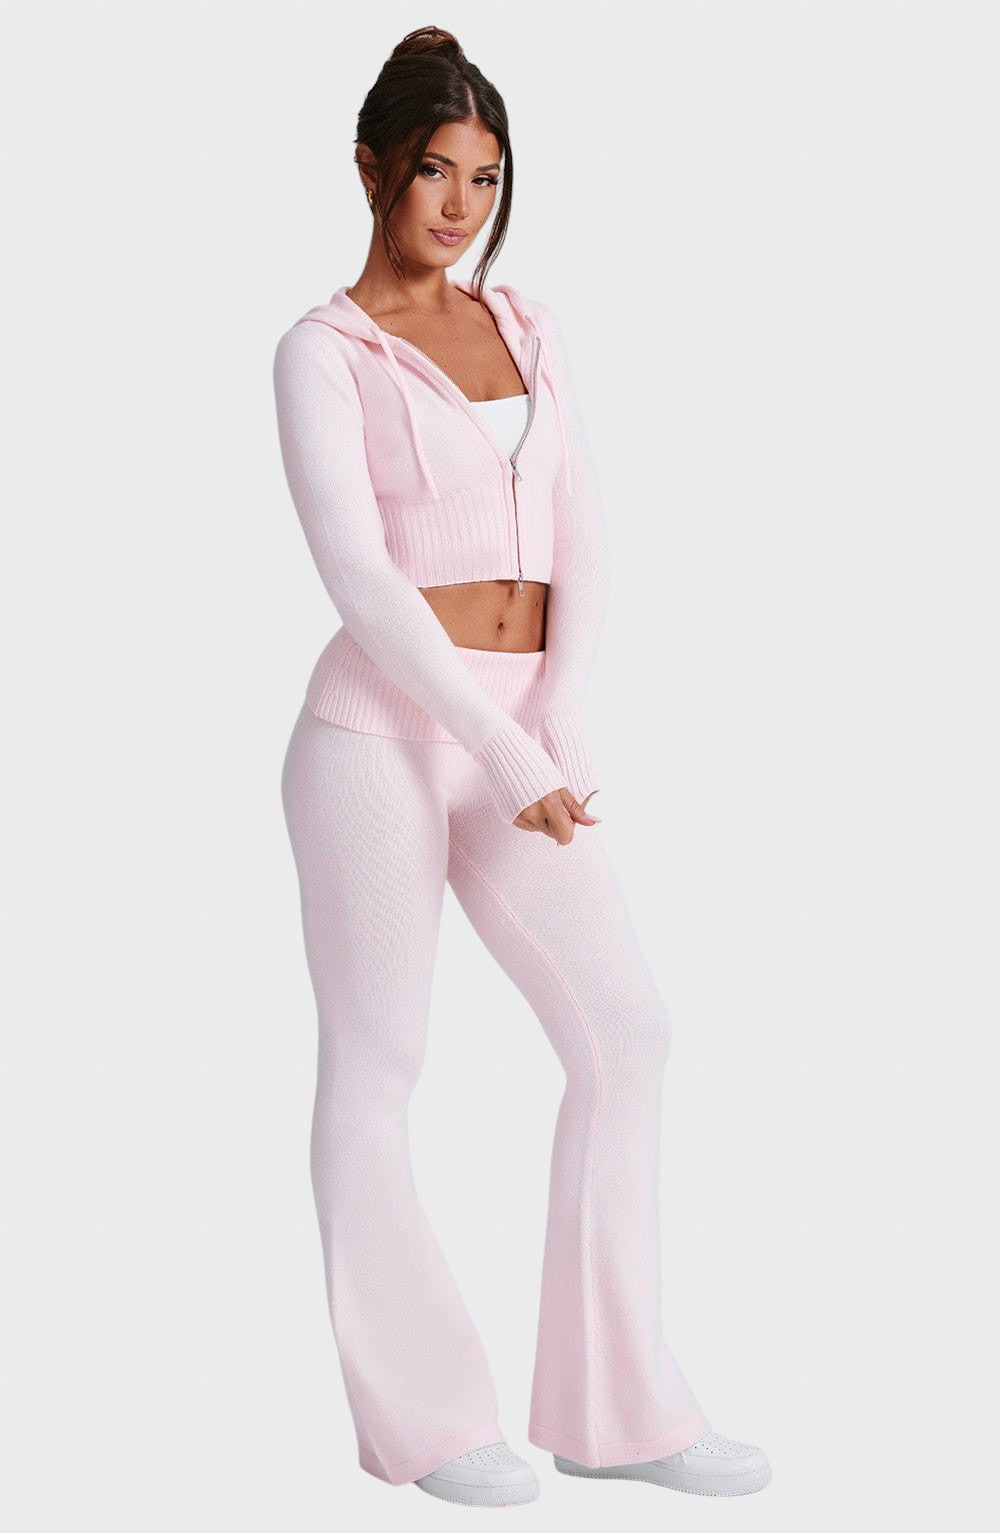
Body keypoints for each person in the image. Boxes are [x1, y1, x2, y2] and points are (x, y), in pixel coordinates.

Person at [273, 24, 772, 1510]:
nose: (459, 203)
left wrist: (556, 716)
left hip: (522, 737)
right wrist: (496, 743)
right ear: (371, 167)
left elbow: (584, 528)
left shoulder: (529, 325)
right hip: (373, 741)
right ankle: (427, 1424)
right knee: (381, 1064)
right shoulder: (323, 352)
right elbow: (361, 579)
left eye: (484, 177)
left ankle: (619, 1412)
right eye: (434, 171)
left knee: (630, 1034)